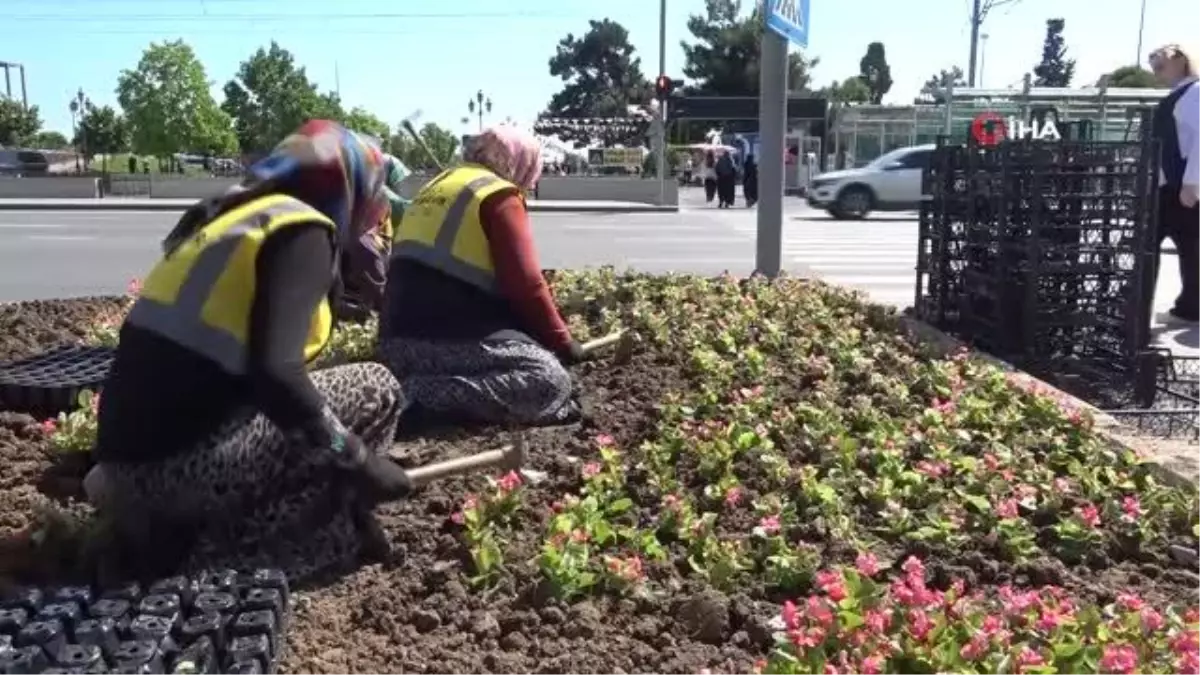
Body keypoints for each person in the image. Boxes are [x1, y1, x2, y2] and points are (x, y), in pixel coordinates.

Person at [86, 120, 412, 581]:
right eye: (375, 194)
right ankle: (246, 552)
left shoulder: (230, 218)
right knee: (376, 386)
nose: (377, 212)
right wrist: (359, 460)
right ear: (347, 183)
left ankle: (166, 532)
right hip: (175, 476)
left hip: (118, 475)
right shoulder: (301, 229)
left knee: (315, 426)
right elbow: (277, 377)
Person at [378, 125, 587, 427]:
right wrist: (563, 343)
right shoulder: (499, 195)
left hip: (395, 343)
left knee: (527, 350)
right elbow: (526, 286)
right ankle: (419, 397)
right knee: (549, 379)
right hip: (440, 341)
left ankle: (418, 383)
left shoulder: (441, 183)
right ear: (523, 163)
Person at [1150, 44, 1200, 322]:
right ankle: (1190, 306)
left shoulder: (1195, 93)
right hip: (1172, 185)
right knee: (1189, 248)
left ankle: (1190, 308)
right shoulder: (1181, 94)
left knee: (1190, 249)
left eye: (1160, 66)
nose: (1157, 74)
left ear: (1180, 59)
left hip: (1181, 187)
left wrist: (1192, 183)